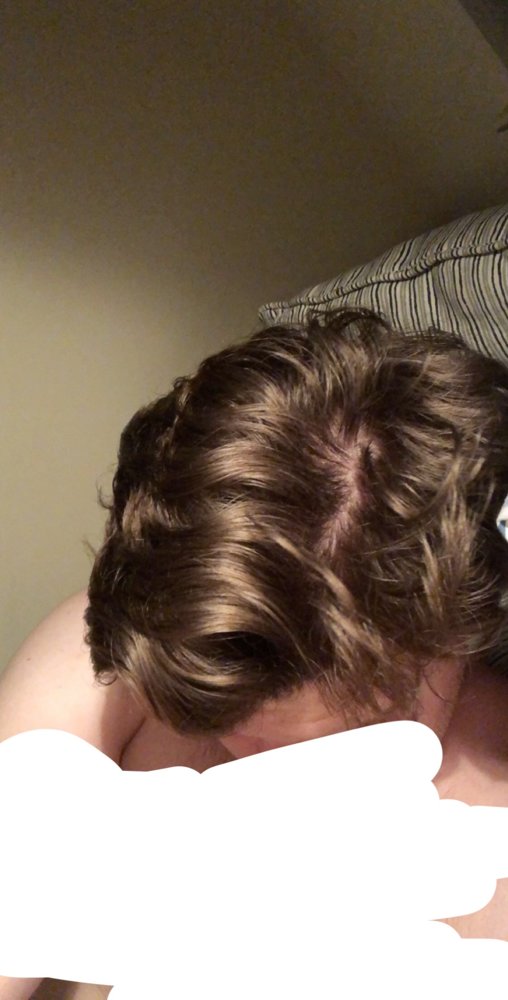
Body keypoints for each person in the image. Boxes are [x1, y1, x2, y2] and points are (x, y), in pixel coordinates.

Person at [1, 307, 508, 999]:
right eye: (214, 721)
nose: (240, 754)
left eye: (303, 735)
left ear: (446, 640)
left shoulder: (486, 834)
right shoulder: (130, 653)